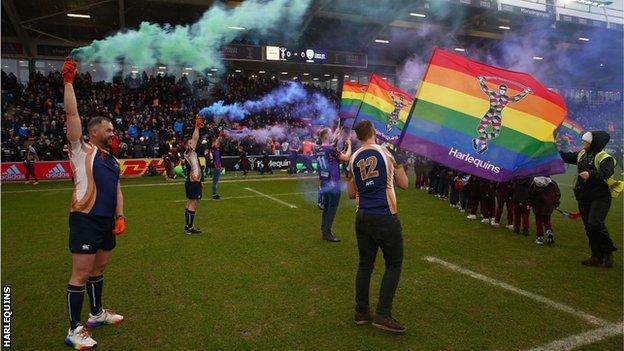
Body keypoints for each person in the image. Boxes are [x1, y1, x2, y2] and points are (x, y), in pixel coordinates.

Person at [62, 57, 125, 350]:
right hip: (85, 219)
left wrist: (120, 215)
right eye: (109, 130)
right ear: (95, 131)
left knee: (99, 269)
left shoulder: (111, 159)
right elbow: (72, 114)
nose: (113, 134)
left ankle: (96, 314)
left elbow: (117, 188)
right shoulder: (81, 149)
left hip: (106, 221)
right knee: (81, 272)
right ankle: (74, 329)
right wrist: (68, 82)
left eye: (113, 131)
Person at [347, 120, 409, 333]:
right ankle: (383, 313)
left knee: (365, 265)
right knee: (394, 263)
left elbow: (351, 193)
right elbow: (404, 184)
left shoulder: (353, 157)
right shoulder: (386, 152)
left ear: (358, 136)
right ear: (373, 132)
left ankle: (362, 311)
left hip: (362, 216)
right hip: (384, 214)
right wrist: (399, 162)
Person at [560, 131, 618, 267]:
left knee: (595, 223)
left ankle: (608, 251)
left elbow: (607, 171)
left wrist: (591, 173)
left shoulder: (604, 157)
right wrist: (550, 150)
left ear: (592, 143)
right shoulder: (582, 154)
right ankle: (596, 256)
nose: (582, 142)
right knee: (589, 227)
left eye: (585, 141)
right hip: (584, 196)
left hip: (600, 197)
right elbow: (566, 157)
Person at [317, 127, 352, 242]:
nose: (332, 134)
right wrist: (349, 144)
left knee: (326, 206)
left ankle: (324, 229)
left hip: (324, 182)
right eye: (330, 133)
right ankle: (327, 233)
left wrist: (337, 135)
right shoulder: (331, 149)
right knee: (332, 208)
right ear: (326, 136)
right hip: (333, 182)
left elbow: (331, 147)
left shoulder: (320, 149)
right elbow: (346, 157)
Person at [183, 116, 204, 234]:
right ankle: (190, 228)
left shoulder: (192, 153)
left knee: (189, 203)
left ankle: (188, 226)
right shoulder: (188, 152)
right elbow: (195, 139)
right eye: (190, 142)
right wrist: (196, 127)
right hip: (192, 181)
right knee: (193, 204)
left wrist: (201, 182)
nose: (193, 142)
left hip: (194, 181)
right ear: (187, 145)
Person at [529, 176, 561, 245]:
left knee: (539, 221)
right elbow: (557, 194)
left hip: (538, 205)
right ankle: (549, 231)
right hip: (548, 205)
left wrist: (530, 203)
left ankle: (540, 238)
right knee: (547, 220)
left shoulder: (535, 182)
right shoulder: (553, 183)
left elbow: (531, 194)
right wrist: (555, 204)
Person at [210, 133, 223, 199]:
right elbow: (217, 142)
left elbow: (219, 142)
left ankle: (215, 194)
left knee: (216, 182)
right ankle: (214, 195)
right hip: (215, 167)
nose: (218, 144)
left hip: (217, 166)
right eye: (215, 142)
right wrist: (220, 135)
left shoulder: (216, 149)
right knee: (215, 182)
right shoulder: (213, 148)